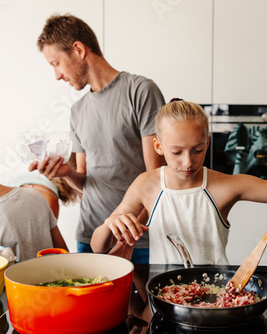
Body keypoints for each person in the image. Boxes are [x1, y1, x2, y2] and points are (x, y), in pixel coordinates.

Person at [91, 100, 267, 265]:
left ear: (207, 142)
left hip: (215, 298)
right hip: (163, 298)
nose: (188, 162)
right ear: (159, 147)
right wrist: (111, 223)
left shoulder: (223, 185)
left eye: (197, 150)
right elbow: (97, 246)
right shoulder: (146, 185)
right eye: (176, 152)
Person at [30, 14, 165, 262]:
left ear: (78, 50)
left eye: (56, 63)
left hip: (138, 241)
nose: (57, 75)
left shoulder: (140, 91)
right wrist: (66, 173)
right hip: (89, 239)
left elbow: (157, 179)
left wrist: (128, 238)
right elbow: (86, 182)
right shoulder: (77, 111)